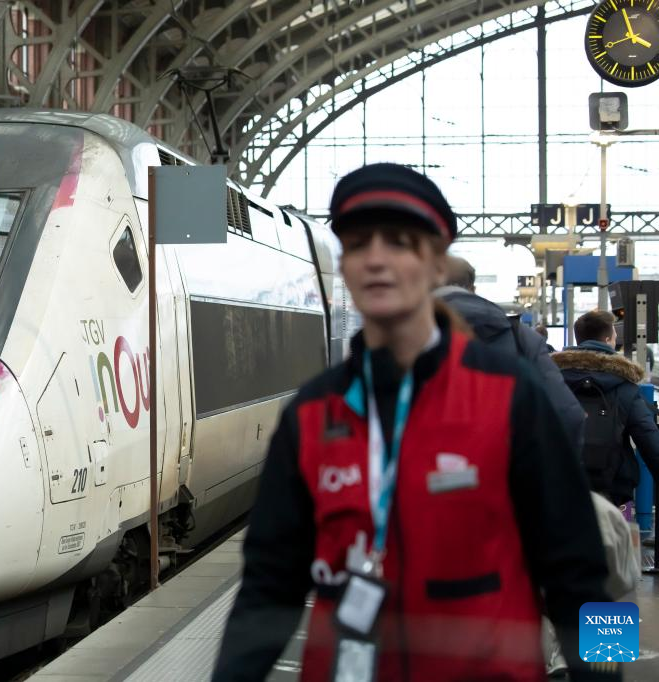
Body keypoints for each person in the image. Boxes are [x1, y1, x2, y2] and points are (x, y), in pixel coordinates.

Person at [213, 163, 614, 681]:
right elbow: (267, 586)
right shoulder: (312, 415)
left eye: (399, 242)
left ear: (435, 264)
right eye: (358, 244)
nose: (376, 259)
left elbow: (583, 575)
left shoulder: (511, 398)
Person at [436, 256, 584, 453]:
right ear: (473, 289)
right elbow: (568, 414)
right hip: (509, 460)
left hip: (431, 463)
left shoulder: (406, 336)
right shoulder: (520, 336)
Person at [552, 310, 659, 507]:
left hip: (558, 485)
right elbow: (649, 439)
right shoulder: (625, 387)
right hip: (609, 491)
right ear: (608, 339)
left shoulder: (551, 381)